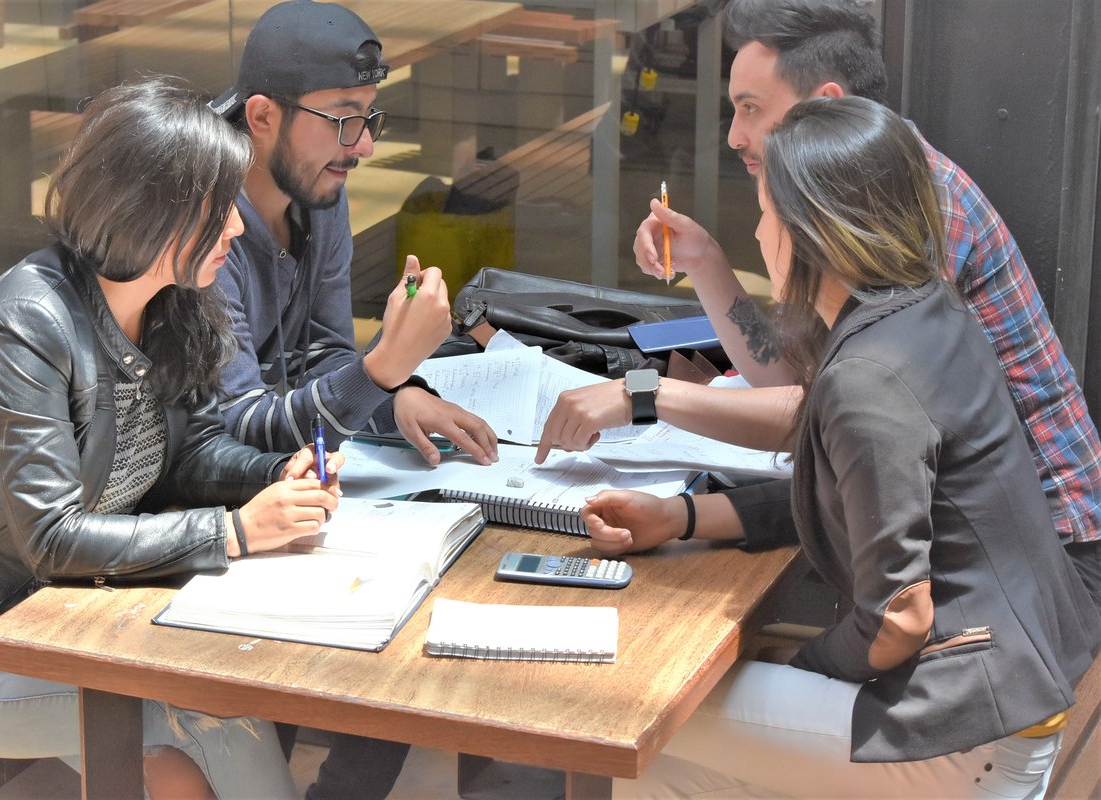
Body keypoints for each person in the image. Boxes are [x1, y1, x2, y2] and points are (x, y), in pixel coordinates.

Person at [596, 95, 1101, 799]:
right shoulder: (929, 308)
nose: (761, 231)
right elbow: (846, 492)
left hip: (964, 730)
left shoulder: (864, 381)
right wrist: (681, 518)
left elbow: (899, 617)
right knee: (694, 748)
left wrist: (802, 665)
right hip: (1013, 691)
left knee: (646, 717)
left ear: (810, 233)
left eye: (768, 213)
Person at [537, 0, 1101, 609]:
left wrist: (644, 397)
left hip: (1043, 568)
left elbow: (836, 415)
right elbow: (801, 384)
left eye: (750, 108)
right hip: (968, 554)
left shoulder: (914, 214)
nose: (733, 135)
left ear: (825, 102)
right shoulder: (874, 183)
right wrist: (704, 263)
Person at [0, 78, 344, 799]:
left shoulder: (173, 303)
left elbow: (193, 453)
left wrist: (276, 477)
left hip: (64, 618)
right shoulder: (28, 322)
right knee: (197, 708)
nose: (236, 229)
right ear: (151, 211)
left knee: (198, 723)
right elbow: (52, 537)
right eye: (217, 210)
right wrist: (235, 532)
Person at [210, 0, 498, 468]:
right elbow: (238, 428)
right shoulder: (202, 223)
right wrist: (384, 370)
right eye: (343, 120)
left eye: (368, 118)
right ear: (262, 116)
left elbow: (320, 353)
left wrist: (395, 397)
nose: (363, 145)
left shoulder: (318, 193)